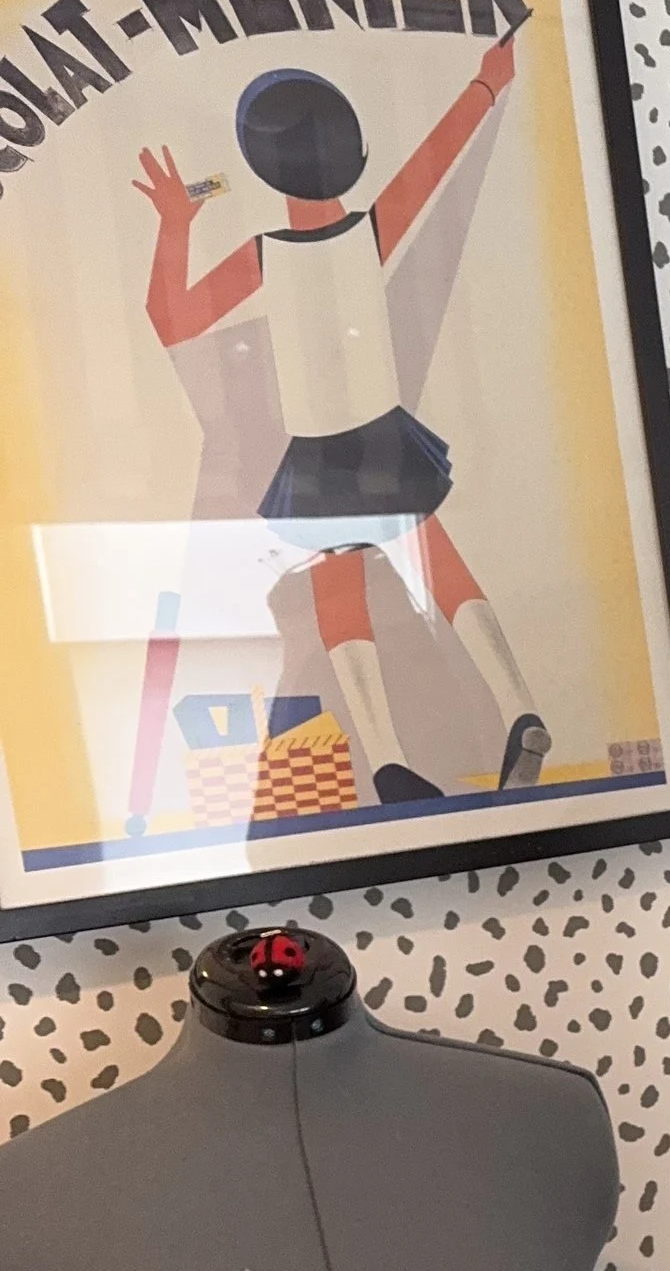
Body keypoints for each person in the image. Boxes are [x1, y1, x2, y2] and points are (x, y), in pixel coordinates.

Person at [132, 42, 548, 808]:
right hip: (385, 434)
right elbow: (438, 153)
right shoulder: (373, 227)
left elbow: (172, 317)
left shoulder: (265, 255)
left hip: (319, 456)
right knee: (442, 566)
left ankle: (386, 756)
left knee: (339, 596)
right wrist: (490, 81)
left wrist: (176, 224)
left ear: (264, 169)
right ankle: (520, 701)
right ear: (352, 155)